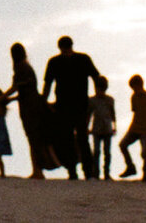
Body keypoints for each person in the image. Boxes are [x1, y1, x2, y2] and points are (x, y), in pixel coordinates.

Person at [44, 36, 106, 179]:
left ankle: (72, 171)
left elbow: (47, 85)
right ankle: (88, 171)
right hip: (81, 105)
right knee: (82, 138)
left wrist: (44, 102)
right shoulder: (83, 59)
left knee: (67, 138)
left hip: (63, 106)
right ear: (72, 45)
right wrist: (98, 93)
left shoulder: (54, 62)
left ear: (59, 47)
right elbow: (97, 77)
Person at [6, 42, 56, 178]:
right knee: (34, 138)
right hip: (31, 104)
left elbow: (17, 87)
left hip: (30, 107)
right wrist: (9, 98)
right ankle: (37, 169)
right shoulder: (25, 67)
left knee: (33, 138)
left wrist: (4, 97)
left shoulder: (22, 67)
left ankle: (37, 170)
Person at [119, 75, 146, 180]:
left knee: (144, 152)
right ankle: (130, 167)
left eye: (134, 87)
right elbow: (135, 113)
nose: (133, 90)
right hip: (135, 128)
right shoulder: (134, 97)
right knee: (123, 145)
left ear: (139, 85)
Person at [87, 81, 116, 180]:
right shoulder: (92, 100)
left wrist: (114, 126)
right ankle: (96, 173)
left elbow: (113, 113)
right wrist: (87, 127)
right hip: (96, 128)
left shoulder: (110, 100)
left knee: (107, 152)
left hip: (107, 128)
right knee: (97, 151)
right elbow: (89, 114)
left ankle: (106, 173)